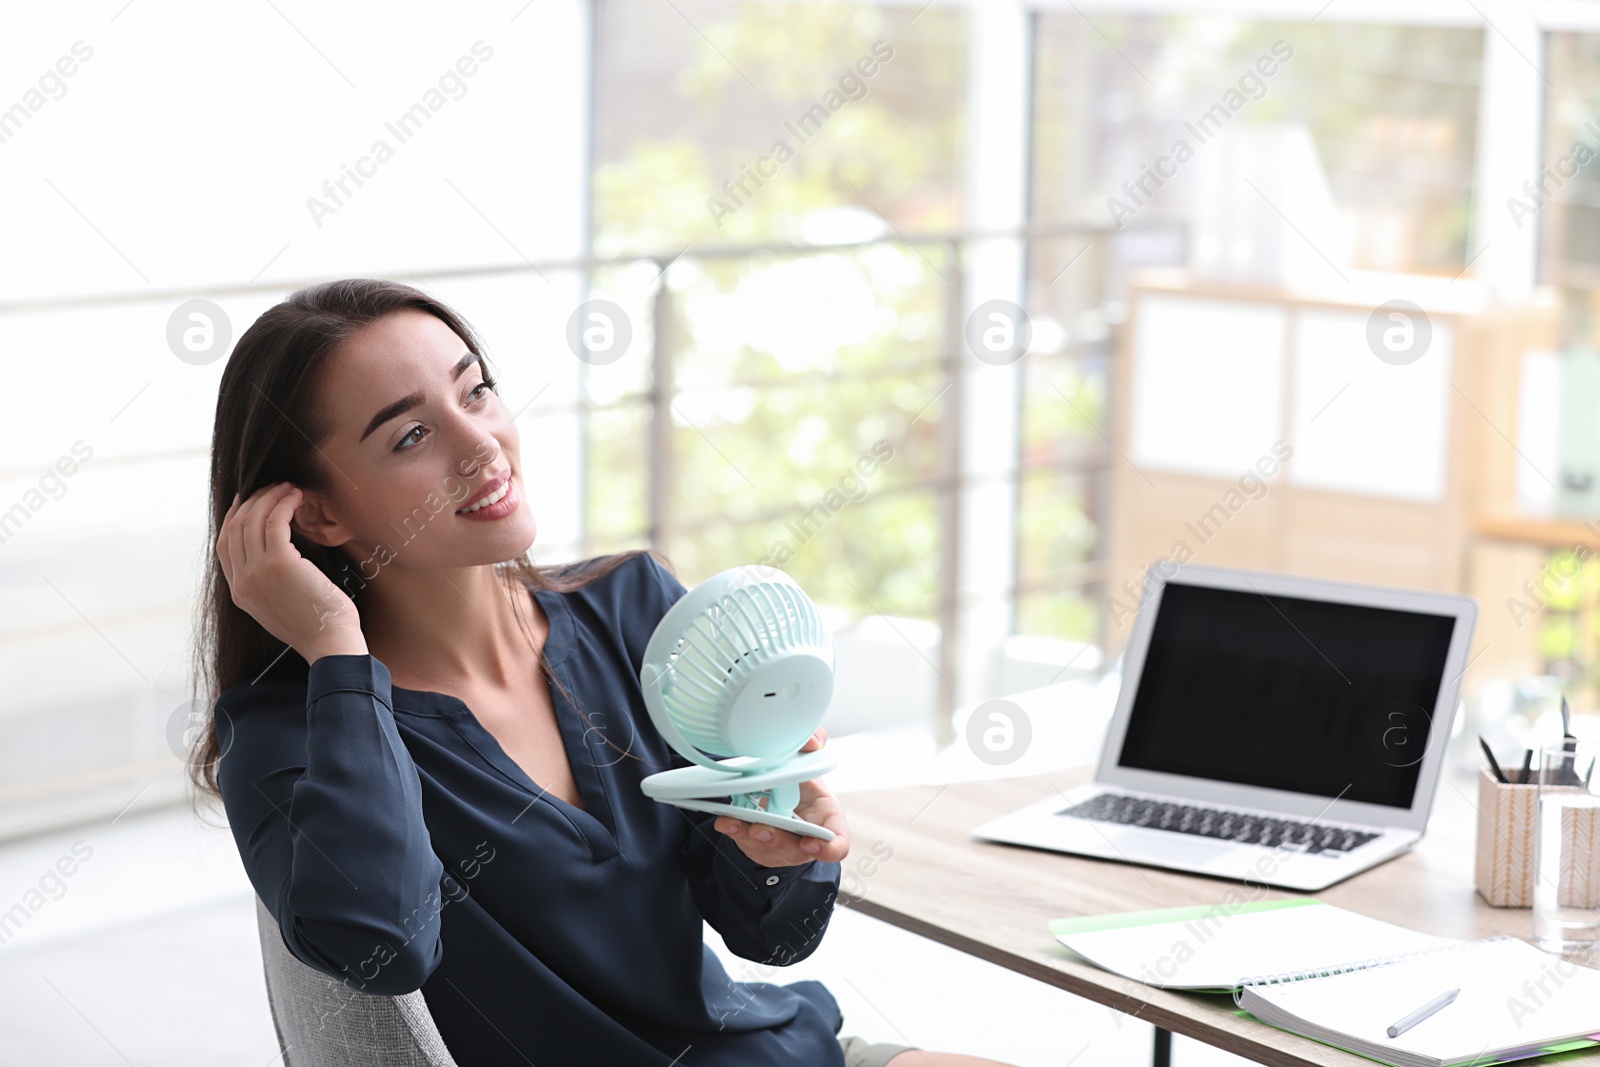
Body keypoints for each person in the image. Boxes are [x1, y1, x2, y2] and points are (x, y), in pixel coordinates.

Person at [191, 278, 1015, 1067]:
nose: (482, 444)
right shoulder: (291, 735)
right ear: (317, 513)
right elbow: (382, 943)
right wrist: (337, 646)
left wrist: (781, 854)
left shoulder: (638, 612)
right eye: (412, 435)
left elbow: (772, 938)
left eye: (475, 392)